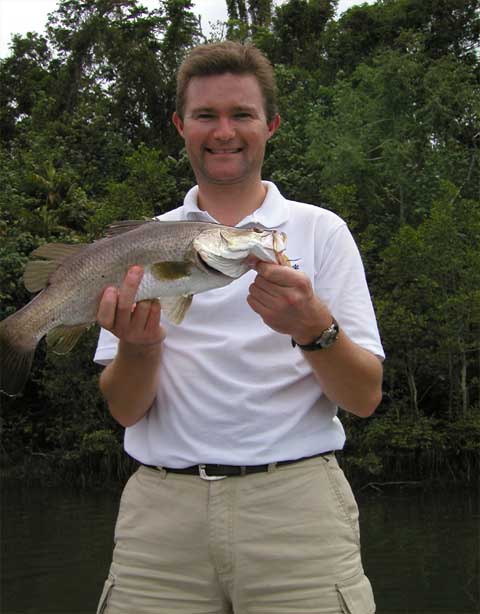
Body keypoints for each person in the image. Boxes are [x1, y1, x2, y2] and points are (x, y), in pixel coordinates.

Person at [94, 41, 384, 614]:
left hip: (299, 512)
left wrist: (313, 328)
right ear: (181, 126)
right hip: (161, 516)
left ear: (270, 125)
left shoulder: (322, 232)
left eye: (242, 114)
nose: (223, 131)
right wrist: (141, 349)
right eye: (206, 115)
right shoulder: (140, 245)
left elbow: (364, 397)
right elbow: (126, 410)